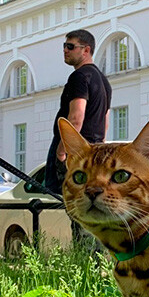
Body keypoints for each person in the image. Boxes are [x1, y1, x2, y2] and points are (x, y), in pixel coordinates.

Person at [44, 29, 112, 194]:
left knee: (61, 197)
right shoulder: (103, 81)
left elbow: (76, 117)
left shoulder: (80, 76)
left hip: (74, 149)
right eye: (64, 46)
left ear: (86, 50)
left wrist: (61, 152)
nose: (65, 50)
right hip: (94, 149)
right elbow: (105, 120)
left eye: (70, 46)